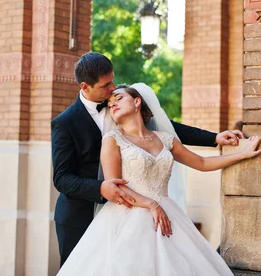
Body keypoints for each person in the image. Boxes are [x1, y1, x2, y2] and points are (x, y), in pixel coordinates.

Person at [51, 52, 245, 266]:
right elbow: (61, 178)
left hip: (139, 212)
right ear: (86, 87)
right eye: (106, 85)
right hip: (80, 217)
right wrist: (101, 188)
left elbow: (167, 127)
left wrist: (214, 138)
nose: (112, 88)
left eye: (113, 80)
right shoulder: (65, 123)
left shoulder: (116, 103)